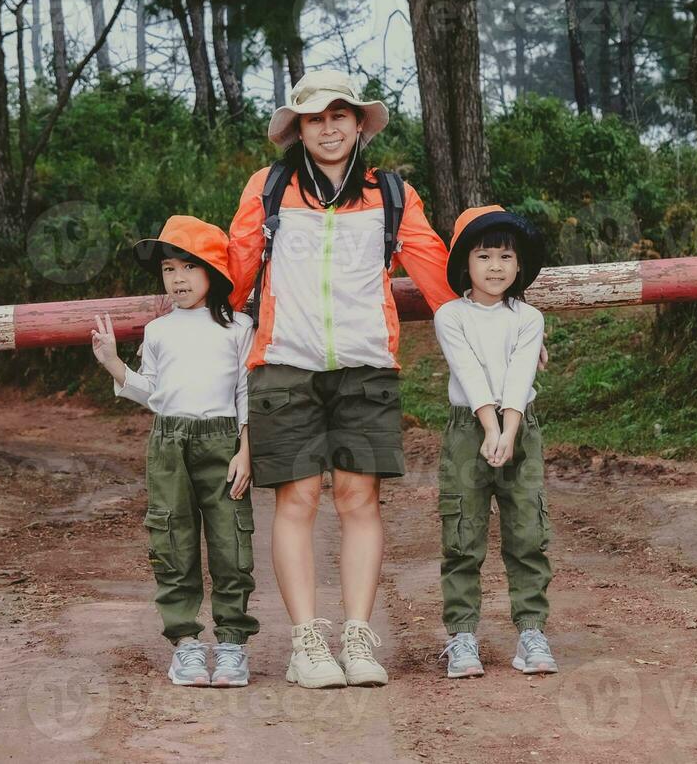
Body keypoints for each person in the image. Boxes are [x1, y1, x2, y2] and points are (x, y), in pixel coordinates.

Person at [228, 68, 459, 688]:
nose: (328, 128)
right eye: (314, 118)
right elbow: (237, 273)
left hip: (366, 368)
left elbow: (437, 276)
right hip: (283, 365)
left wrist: (495, 332)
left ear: (360, 124)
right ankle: (307, 644)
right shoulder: (268, 188)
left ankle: (358, 638)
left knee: (360, 499)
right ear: (298, 129)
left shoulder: (392, 194)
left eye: (340, 116)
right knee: (297, 500)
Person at [92, 215, 258, 687]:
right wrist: (113, 365)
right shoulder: (159, 331)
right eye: (169, 269)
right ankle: (185, 644)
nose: (178, 279)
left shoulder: (238, 327)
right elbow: (155, 394)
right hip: (169, 441)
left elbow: (247, 393)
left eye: (189, 267)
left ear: (214, 274)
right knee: (172, 539)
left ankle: (231, 645)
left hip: (224, 441)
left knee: (230, 542)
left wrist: (246, 450)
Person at [432, 205, 557, 679]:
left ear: (519, 265)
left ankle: (531, 631)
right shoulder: (451, 316)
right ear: (466, 263)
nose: (496, 267)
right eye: (484, 256)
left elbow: (521, 374)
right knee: (463, 533)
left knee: (527, 529)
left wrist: (509, 429)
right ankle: (462, 636)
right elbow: (469, 373)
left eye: (506, 256)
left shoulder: (529, 318)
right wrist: (490, 428)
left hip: (519, 425)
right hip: (470, 429)